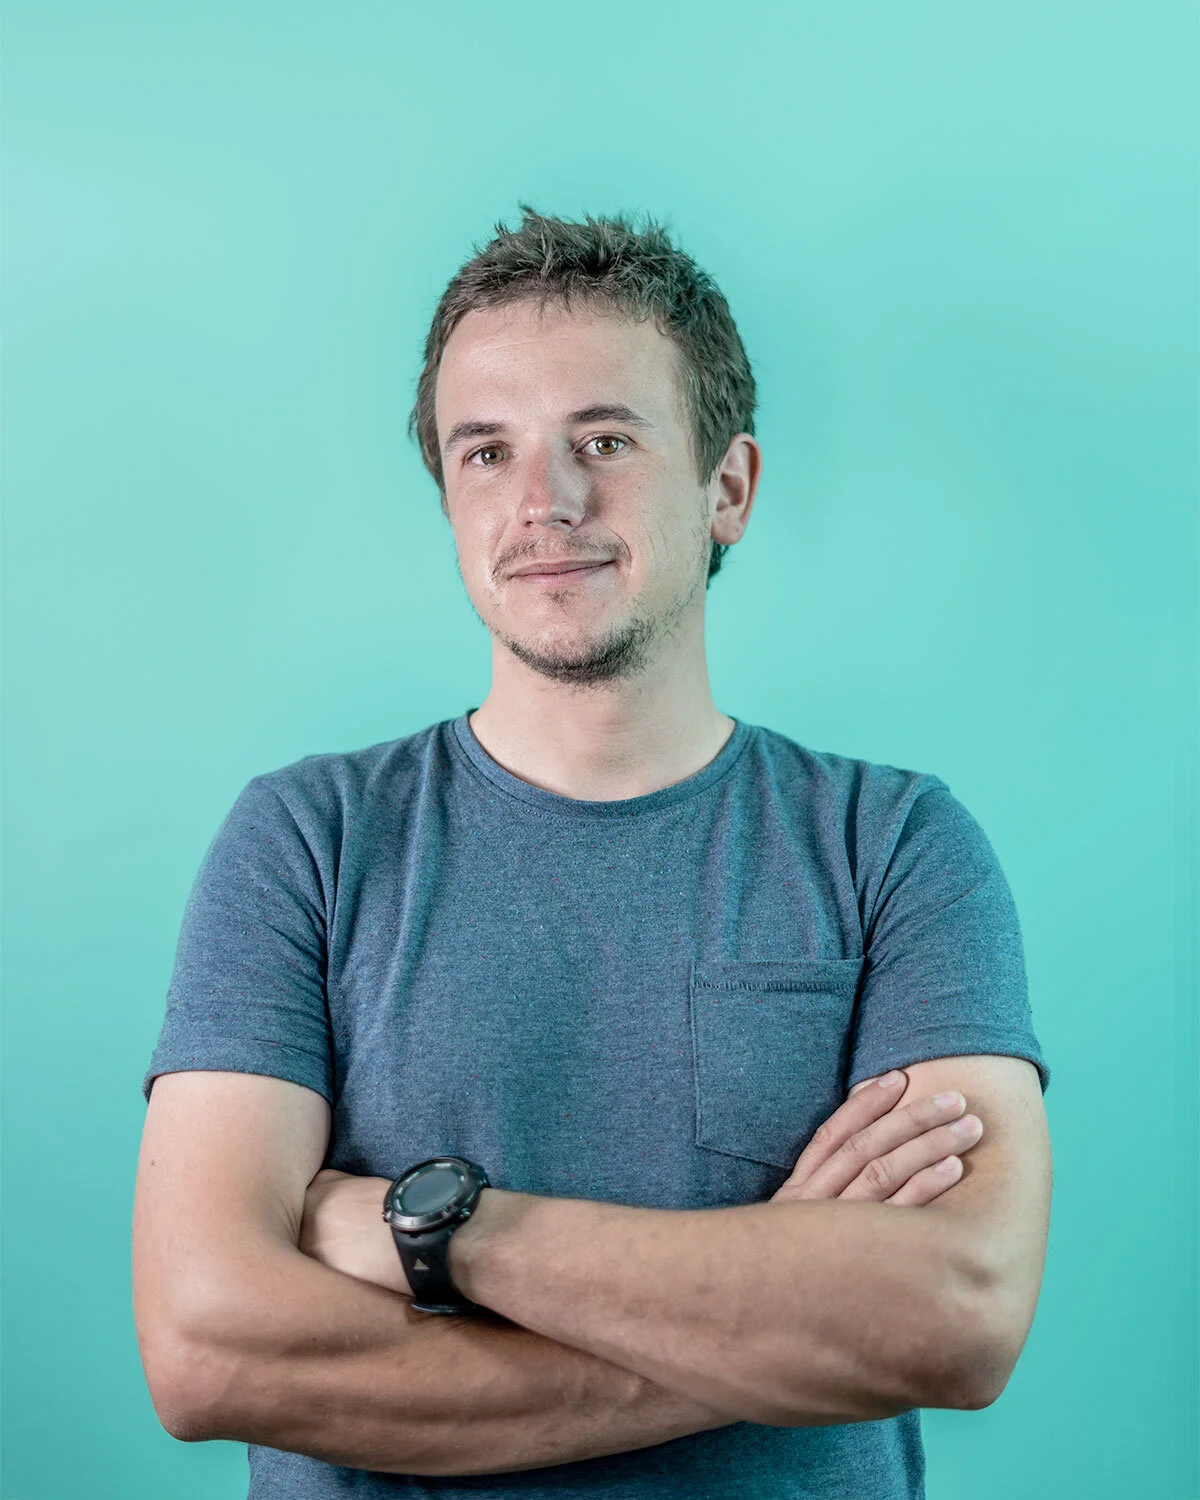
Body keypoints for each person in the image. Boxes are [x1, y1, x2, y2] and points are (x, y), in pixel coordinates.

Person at [132, 205, 1052, 1499]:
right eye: (486, 452)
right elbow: (208, 1351)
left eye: (605, 441)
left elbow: (957, 1315)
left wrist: (440, 1230)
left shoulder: (894, 849)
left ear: (727, 489)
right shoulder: (306, 844)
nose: (543, 504)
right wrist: (777, 1314)